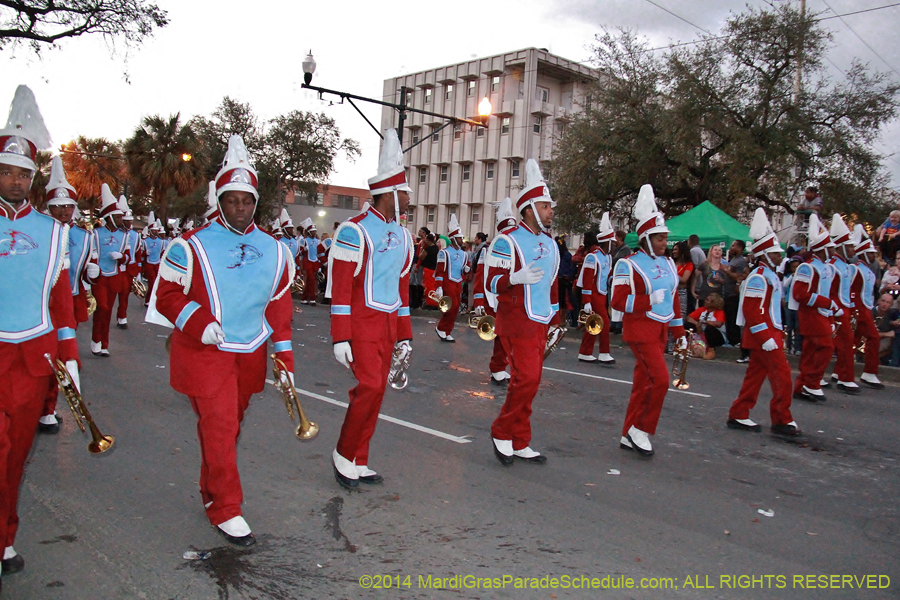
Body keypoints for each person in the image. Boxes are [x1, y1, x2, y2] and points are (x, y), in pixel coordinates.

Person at [151, 135, 295, 546]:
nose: (240, 208)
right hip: (206, 351)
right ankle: (227, 507)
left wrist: (283, 356)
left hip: (250, 350)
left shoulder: (275, 248)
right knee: (219, 424)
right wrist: (198, 323)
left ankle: (211, 489)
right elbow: (167, 295)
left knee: (228, 427)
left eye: (247, 201)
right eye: (233, 200)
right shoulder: (190, 245)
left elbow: (279, 306)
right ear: (220, 200)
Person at [0, 85, 80, 584]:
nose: (13, 180)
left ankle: (5, 538)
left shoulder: (56, 232)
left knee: (15, 457)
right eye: (5, 171)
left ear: (33, 178)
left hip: (33, 358)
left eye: (21, 173)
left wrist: (69, 355)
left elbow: (61, 300)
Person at [327, 129, 413, 490]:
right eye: (405, 191)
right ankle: (343, 454)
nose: (409, 197)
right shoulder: (353, 231)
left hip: (389, 323)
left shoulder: (405, 236)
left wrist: (405, 336)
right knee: (369, 386)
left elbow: (403, 289)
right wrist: (340, 336)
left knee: (377, 391)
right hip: (361, 325)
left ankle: (359, 458)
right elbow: (341, 286)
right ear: (390, 193)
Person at [484, 159, 560, 466]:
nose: (550, 211)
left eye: (550, 206)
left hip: (540, 320)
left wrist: (555, 321)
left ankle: (520, 439)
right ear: (528, 208)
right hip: (516, 319)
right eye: (544, 206)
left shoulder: (550, 244)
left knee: (531, 380)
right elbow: (491, 280)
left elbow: (553, 286)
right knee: (526, 378)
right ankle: (502, 431)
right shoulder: (508, 240)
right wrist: (514, 278)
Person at [611, 185, 686, 457]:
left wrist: (680, 332)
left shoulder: (668, 264)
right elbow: (617, 302)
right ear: (645, 238)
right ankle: (640, 429)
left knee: (644, 382)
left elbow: (673, 300)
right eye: (659, 239)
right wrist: (648, 300)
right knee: (660, 380)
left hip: (661, 330)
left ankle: (628, 431)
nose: (665, 243)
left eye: (665, 238)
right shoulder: (628, 264)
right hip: (641, 330)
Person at [727, 208, 800, 437]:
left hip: (767, 335)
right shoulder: (759, 277)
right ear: (765, 255)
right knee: (782, 378)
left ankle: (739, 412)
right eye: (775, 253)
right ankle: (781, 419)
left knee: (755, 377)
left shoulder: (767, 274)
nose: (779, 257)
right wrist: (766, 337)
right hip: (765, 336)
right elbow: (753, 312)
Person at [39, 156, 99, 434]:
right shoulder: (41, 233)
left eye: (68, 206)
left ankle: (47, 409)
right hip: (35, 308)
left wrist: (91, 273)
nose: (63, 210)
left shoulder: (85, 236)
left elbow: (73, 274)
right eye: (58, 206)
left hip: (69, 297)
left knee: (59, 356)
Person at [791, 214, 841, 403]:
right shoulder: (807, 268)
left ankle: (802, 385)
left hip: (822, 314)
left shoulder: (826, 267)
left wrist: (832, 307)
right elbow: (800, 294)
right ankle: (811, 383)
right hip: (811, 315)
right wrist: (827, 303)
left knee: (811, 351)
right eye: (830, 248)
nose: (833, 251)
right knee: (826, 347)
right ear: (821, 250)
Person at [473, 198, 516, 385]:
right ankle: (497, 367)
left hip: (513, 297)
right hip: (495, 298)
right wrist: (479, 301)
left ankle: (501, 366)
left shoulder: (516, 246)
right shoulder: (490, 248)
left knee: (509, 335)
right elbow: (481, 276)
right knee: (503, 334)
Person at [90, 184, 128, 356]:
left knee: (108, 310)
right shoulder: (95, 234)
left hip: (114, 276)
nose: (122, 220)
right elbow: (91, 254)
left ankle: (104, 344)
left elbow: (128, 257)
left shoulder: (125, 235)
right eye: (118, 217)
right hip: (99, 277)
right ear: (110, 217)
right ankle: (96, 340)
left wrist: (121, 257)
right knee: (102, 308)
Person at [824, 214, 859, 394]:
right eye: (850, 246)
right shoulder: (832, 266)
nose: (853, 249)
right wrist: (833, 310)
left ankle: (839, 373)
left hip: (844, 308)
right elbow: (828, 291)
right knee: (843, 343)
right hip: (835, 310)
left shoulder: (845, 265)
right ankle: (845, 378)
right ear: (841, 247)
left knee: (845, 343)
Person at [577, 212, 615, 365]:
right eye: (612, 242)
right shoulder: (592, 257)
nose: (614, 244)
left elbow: (608, 275)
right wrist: (586, 301)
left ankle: (585, 352)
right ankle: (604, 353)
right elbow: (587, 281)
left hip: (602, 294)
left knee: (593, 324)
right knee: (603, 323)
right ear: (606, 242)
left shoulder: (608, 257)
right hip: (593, 295)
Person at [850, 225, 886, 388]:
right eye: (870, 253)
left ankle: (841, 370)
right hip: (859, 310)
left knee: (854, 341)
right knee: (873, 337)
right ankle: (869, 372)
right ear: (864, 253)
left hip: (864, 308)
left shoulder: (868, 270)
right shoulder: (857, 269)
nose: (873, 255)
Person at [434, 215, 468, 342]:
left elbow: (465, 269)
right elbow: (439, 271)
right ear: (453, 239)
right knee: (450, 308)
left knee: (456, 308)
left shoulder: (464, 254)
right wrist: (438, 287)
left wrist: (466, 270)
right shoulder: (444, 253)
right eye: (459, 238)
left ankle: (447, 330)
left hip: (458, 283)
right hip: (448, 283)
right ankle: (441, 328)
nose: (461, 240)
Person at [114, 195, 141, 329]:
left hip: (129, 269)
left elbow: (137, 253)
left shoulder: (136, 236)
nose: (130, 223)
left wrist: (138, 271)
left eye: (130, 221)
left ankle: (122, 317)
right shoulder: (116, 233)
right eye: (127, 221)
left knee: (124, 295)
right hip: (116, 268)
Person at [723, 239, 750, 361]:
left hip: (734, 295)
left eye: (733, 245)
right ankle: (730, 339)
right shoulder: (733, 260)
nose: (731, 247)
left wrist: (727, 271)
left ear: (739, 248)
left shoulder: (741, 262)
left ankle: (736, 341)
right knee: (729, 318)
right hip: (727, 293)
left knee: (733, 318)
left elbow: (739, 277)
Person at [686, 293, 726, 359]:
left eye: (707, 300)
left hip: (717, 336)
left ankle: (711, 350)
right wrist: (697, 324)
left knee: (709, 329)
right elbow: (689, 318)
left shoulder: (719, 312)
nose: (705, 301)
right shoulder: (702, 309)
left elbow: (719, 324)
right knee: (688, 325)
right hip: (701, 332)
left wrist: (705, 322)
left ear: (713, 303)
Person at [298, 218, 325, 305]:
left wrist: (320, 265)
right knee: (312, 279)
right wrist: (304, 249)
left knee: (311, 280)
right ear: (309, 232)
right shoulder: (304, 240)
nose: (314, 232)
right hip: (307, 261)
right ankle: (312, 298)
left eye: (315, 231)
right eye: (312, 231)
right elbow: (300, 253)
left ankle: (304, 298)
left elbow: (320, 253)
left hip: (315, 261)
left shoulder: (318, 241)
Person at [609, 230, 631, 334]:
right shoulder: (615, 249)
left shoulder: (625, 249)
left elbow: (617, 261)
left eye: (615, 237)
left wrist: (610, 259)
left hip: (621, 277)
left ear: (620, 238)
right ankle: (613, 322)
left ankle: (618, 324)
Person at [782, 256, 804, 355]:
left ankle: (798, 348)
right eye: (794, 267)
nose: (796, 269)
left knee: (798, 327)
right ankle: (788, 346)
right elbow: (785, 285)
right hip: (789, 305)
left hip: (799, 305)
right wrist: (792, 276)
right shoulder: (788, 276)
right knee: (789, 327)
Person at [873, 293, 900, 366]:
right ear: (878, 301)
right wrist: (886, 334)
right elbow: (867, 333)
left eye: (888, 303)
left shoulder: (892, 313)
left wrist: (893, 323)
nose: (884, 304)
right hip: (869, 340)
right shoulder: (870, 313)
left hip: (884, 343)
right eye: (883, 301)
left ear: (891, 305)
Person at [687, 234, 706, 313]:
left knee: (691, 304)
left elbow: (694, 266)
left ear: (690, 241)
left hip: (697, 282)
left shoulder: (693, 251)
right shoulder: (700, 251)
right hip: (701, 282)